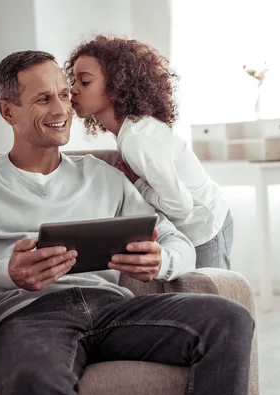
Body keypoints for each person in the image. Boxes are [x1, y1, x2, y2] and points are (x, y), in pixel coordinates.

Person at [0, 50, 254, 395]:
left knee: (229, 320)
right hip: (28, 317)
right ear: (8, 111)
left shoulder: (103, 175)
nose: (61, 110)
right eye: (43, 98)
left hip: (114, 309)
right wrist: (4, 274)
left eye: (64, 95)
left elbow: (177, 240)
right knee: (34, 378)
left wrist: (162, 260)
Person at [65, 35, 234, 270]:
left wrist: (138, 185)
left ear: (116, 87)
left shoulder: (137, 139)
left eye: (84, 82)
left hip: (205, 226)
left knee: (215, 298)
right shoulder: (130, 131)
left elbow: (180, 205)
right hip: (191, 229)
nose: (73, 89)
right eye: (73, 80)